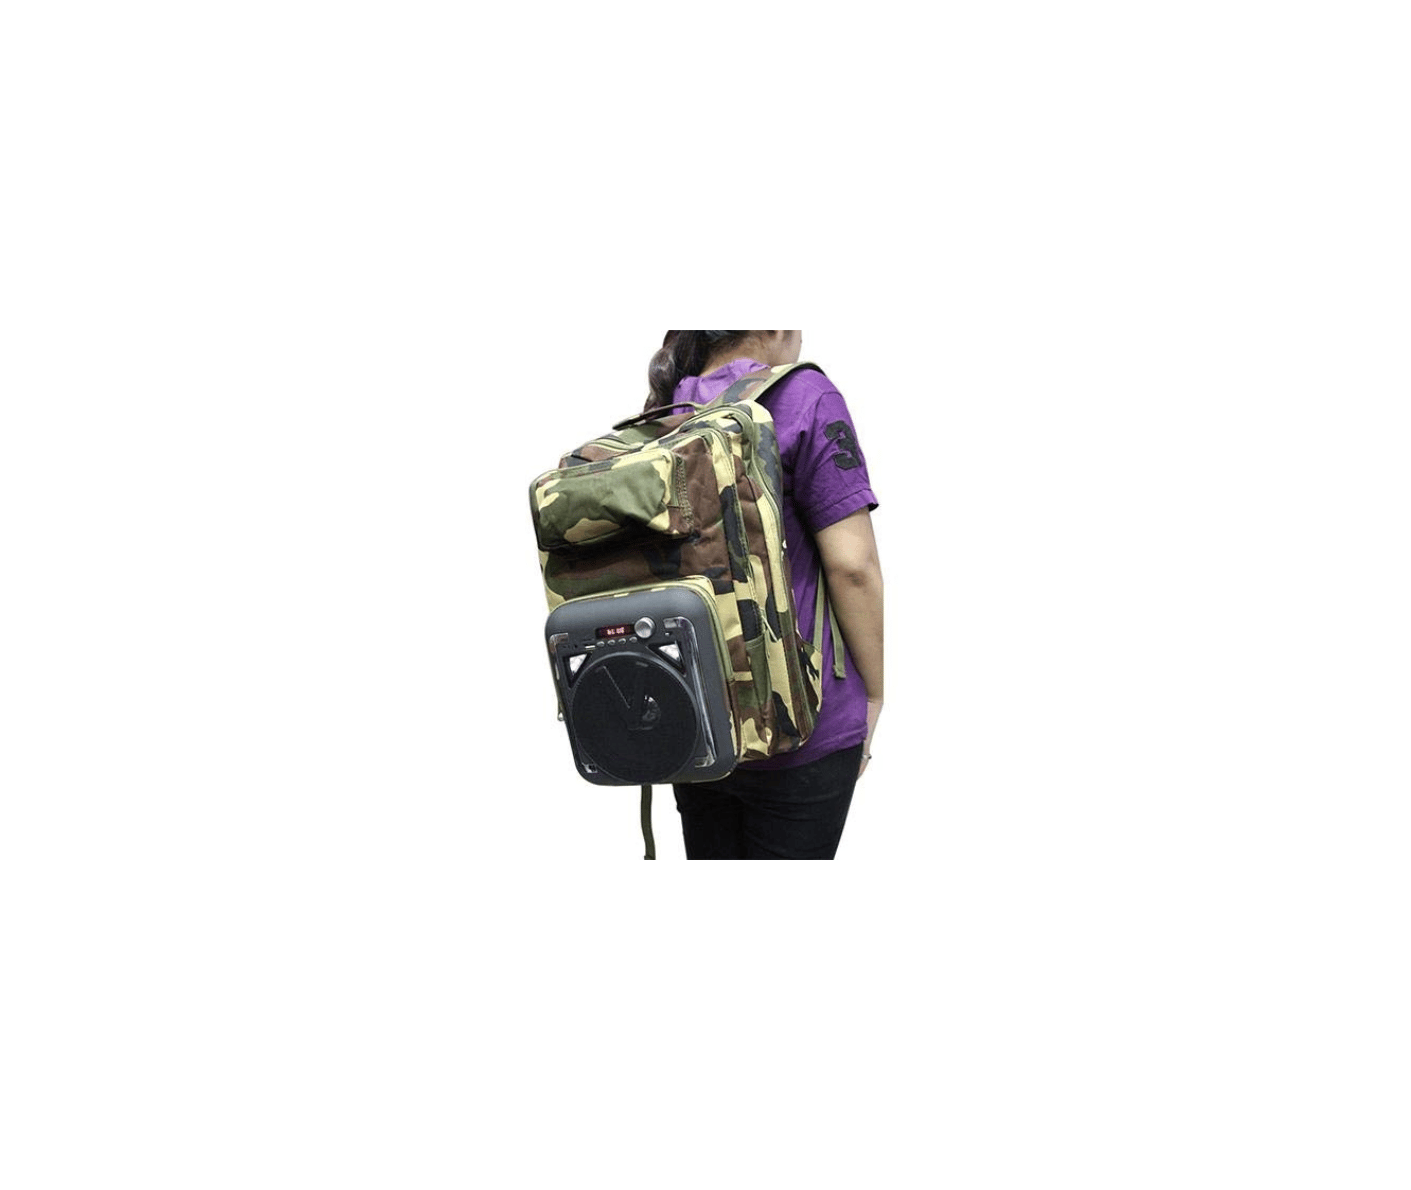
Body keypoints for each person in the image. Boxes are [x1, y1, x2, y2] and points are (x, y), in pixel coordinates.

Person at [645, 330, 884, 860]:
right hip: (803, 728)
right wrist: (873, 695)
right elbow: (853, 567)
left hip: (699, 722)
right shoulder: (804, 396)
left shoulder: (669, 408)